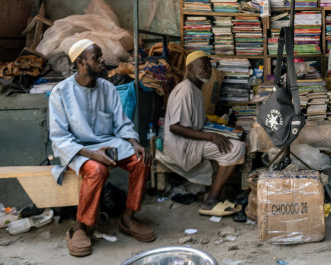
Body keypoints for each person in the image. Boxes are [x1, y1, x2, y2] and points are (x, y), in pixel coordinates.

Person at [49, 39, 155, 258]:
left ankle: (128, 219)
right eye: (96, 57)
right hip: (78, 150)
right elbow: (60, 138)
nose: (102, 60)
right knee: (97, 170)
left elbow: (122, 123)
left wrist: (135, 144)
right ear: (80, 62)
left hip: (108, 145)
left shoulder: (107, 87)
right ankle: (81, 227)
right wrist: (91, 154)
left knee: (141, 159)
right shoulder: (61, 92)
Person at [164, 51, 245, 216]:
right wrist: (212, 136)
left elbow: (200, 124)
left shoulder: (196, 90)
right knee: (235, 149)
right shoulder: (185, 90)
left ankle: (216, 196)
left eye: (209, 67)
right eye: (203, 67)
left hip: (191, 140)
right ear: (190, 68)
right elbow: (175, 127)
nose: (208, 70)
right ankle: (210, 201)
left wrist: (228, 130)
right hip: (182, 145)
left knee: (236, 140)